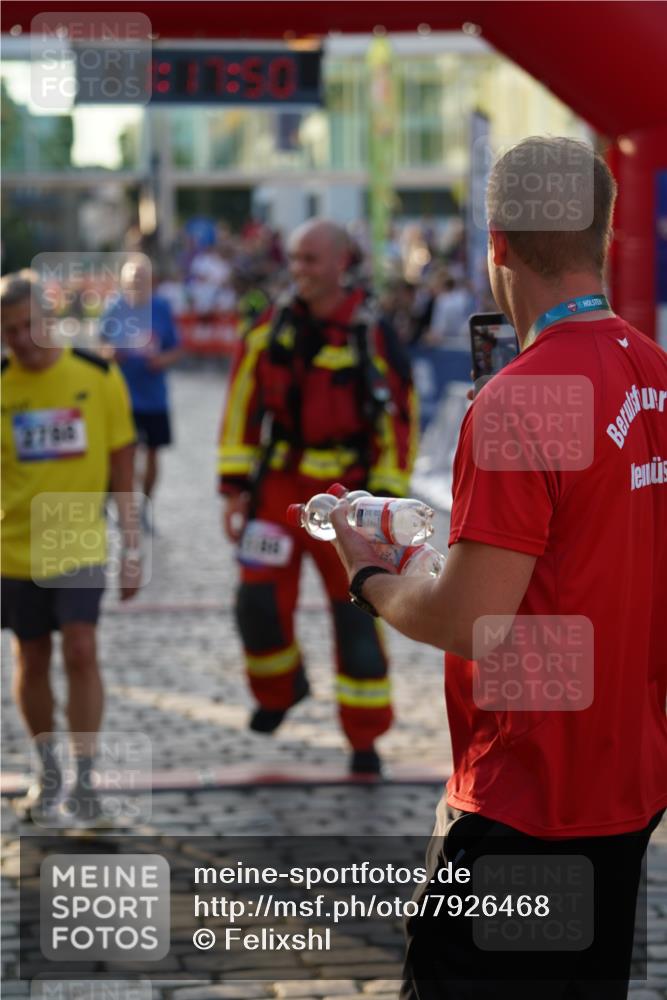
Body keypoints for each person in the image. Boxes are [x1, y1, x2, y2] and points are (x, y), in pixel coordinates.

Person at [329, 137, 667, 997]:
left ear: (497, 245)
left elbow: (465, 619)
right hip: (625, 782)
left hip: (526, 794)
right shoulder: (655, 373)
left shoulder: (522, 398)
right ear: (604, 231)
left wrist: (371, 573)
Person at [217, 218, 417, 775]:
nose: (298, 271)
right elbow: (240, 404)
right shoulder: (270, 324)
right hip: (278, 490)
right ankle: (279, 693)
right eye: (295, 260)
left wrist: (385, 501)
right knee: (256, 605)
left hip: (346, 499)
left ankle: (364, 736)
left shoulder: (371, 330)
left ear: (339, 263)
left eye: (310, 260)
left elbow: (400, 417)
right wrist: (233, 489)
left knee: (356, 616)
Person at [1, 272, 140, 824]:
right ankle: (46, 770)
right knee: (31, 657)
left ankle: (85, 779)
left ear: (49, 318)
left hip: (78, 540)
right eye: (9, 332)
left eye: (29, 325)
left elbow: (122, 464)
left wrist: (132, 546)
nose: (21, 339)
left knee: (81, 649)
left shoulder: (99, 375)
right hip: (12, 550)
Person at [99, 257, 182, 533]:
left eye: (142, 279)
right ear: (123, 282)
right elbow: (100, 348)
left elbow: (177, 349)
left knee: (153, 454)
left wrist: (161, 360)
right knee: (123, 454)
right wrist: (112, 355)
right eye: (132, 279)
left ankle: (146, 506)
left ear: (151, 282)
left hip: (154, 396)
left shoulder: (160, 308)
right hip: (122, 396)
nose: (137, 284)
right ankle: (122, 507)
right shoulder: (113, 308)